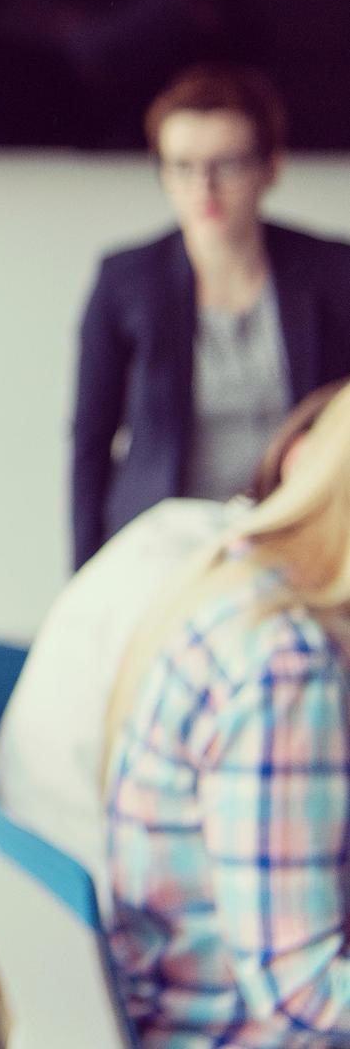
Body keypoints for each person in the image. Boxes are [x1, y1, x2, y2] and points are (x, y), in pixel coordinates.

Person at [0, 380, 343, 872]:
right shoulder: (267, 630)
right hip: (94, 869)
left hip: (34, 857)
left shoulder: (180, 531)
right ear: (302, 459)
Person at [102, 384, 350, 1045]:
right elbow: (300, 990)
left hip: (179, 993)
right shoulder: (285, 666)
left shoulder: (234, 577)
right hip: (230, 1029)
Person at [71, 64, 350, 567]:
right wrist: (85, 576)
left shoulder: (332, 271)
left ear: (270, 167)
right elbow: (91, 441)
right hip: (165, 545)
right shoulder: (126, 281)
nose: (205, 186)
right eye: (183, 166)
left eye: (228, 164)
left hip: (297, 538)